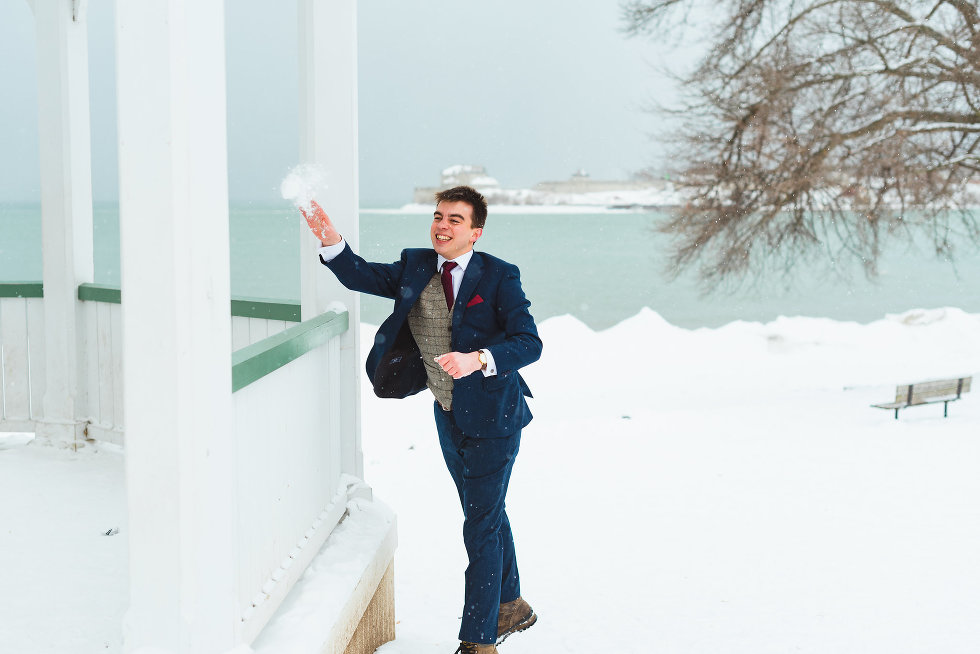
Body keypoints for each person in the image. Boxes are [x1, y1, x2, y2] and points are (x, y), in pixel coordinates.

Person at [301, 186, 542, 654]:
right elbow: (358, 275)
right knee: (486, 515)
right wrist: (327, 236)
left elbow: (529, 342)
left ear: (476, 231)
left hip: (496, 416)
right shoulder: (415, 266)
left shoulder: (499, 276)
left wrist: (480, 359)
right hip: (447, 412)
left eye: (455, 219)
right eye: (438, 216)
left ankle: (478, 640)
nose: (442, 226)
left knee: (480, 523)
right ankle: (511, 603)